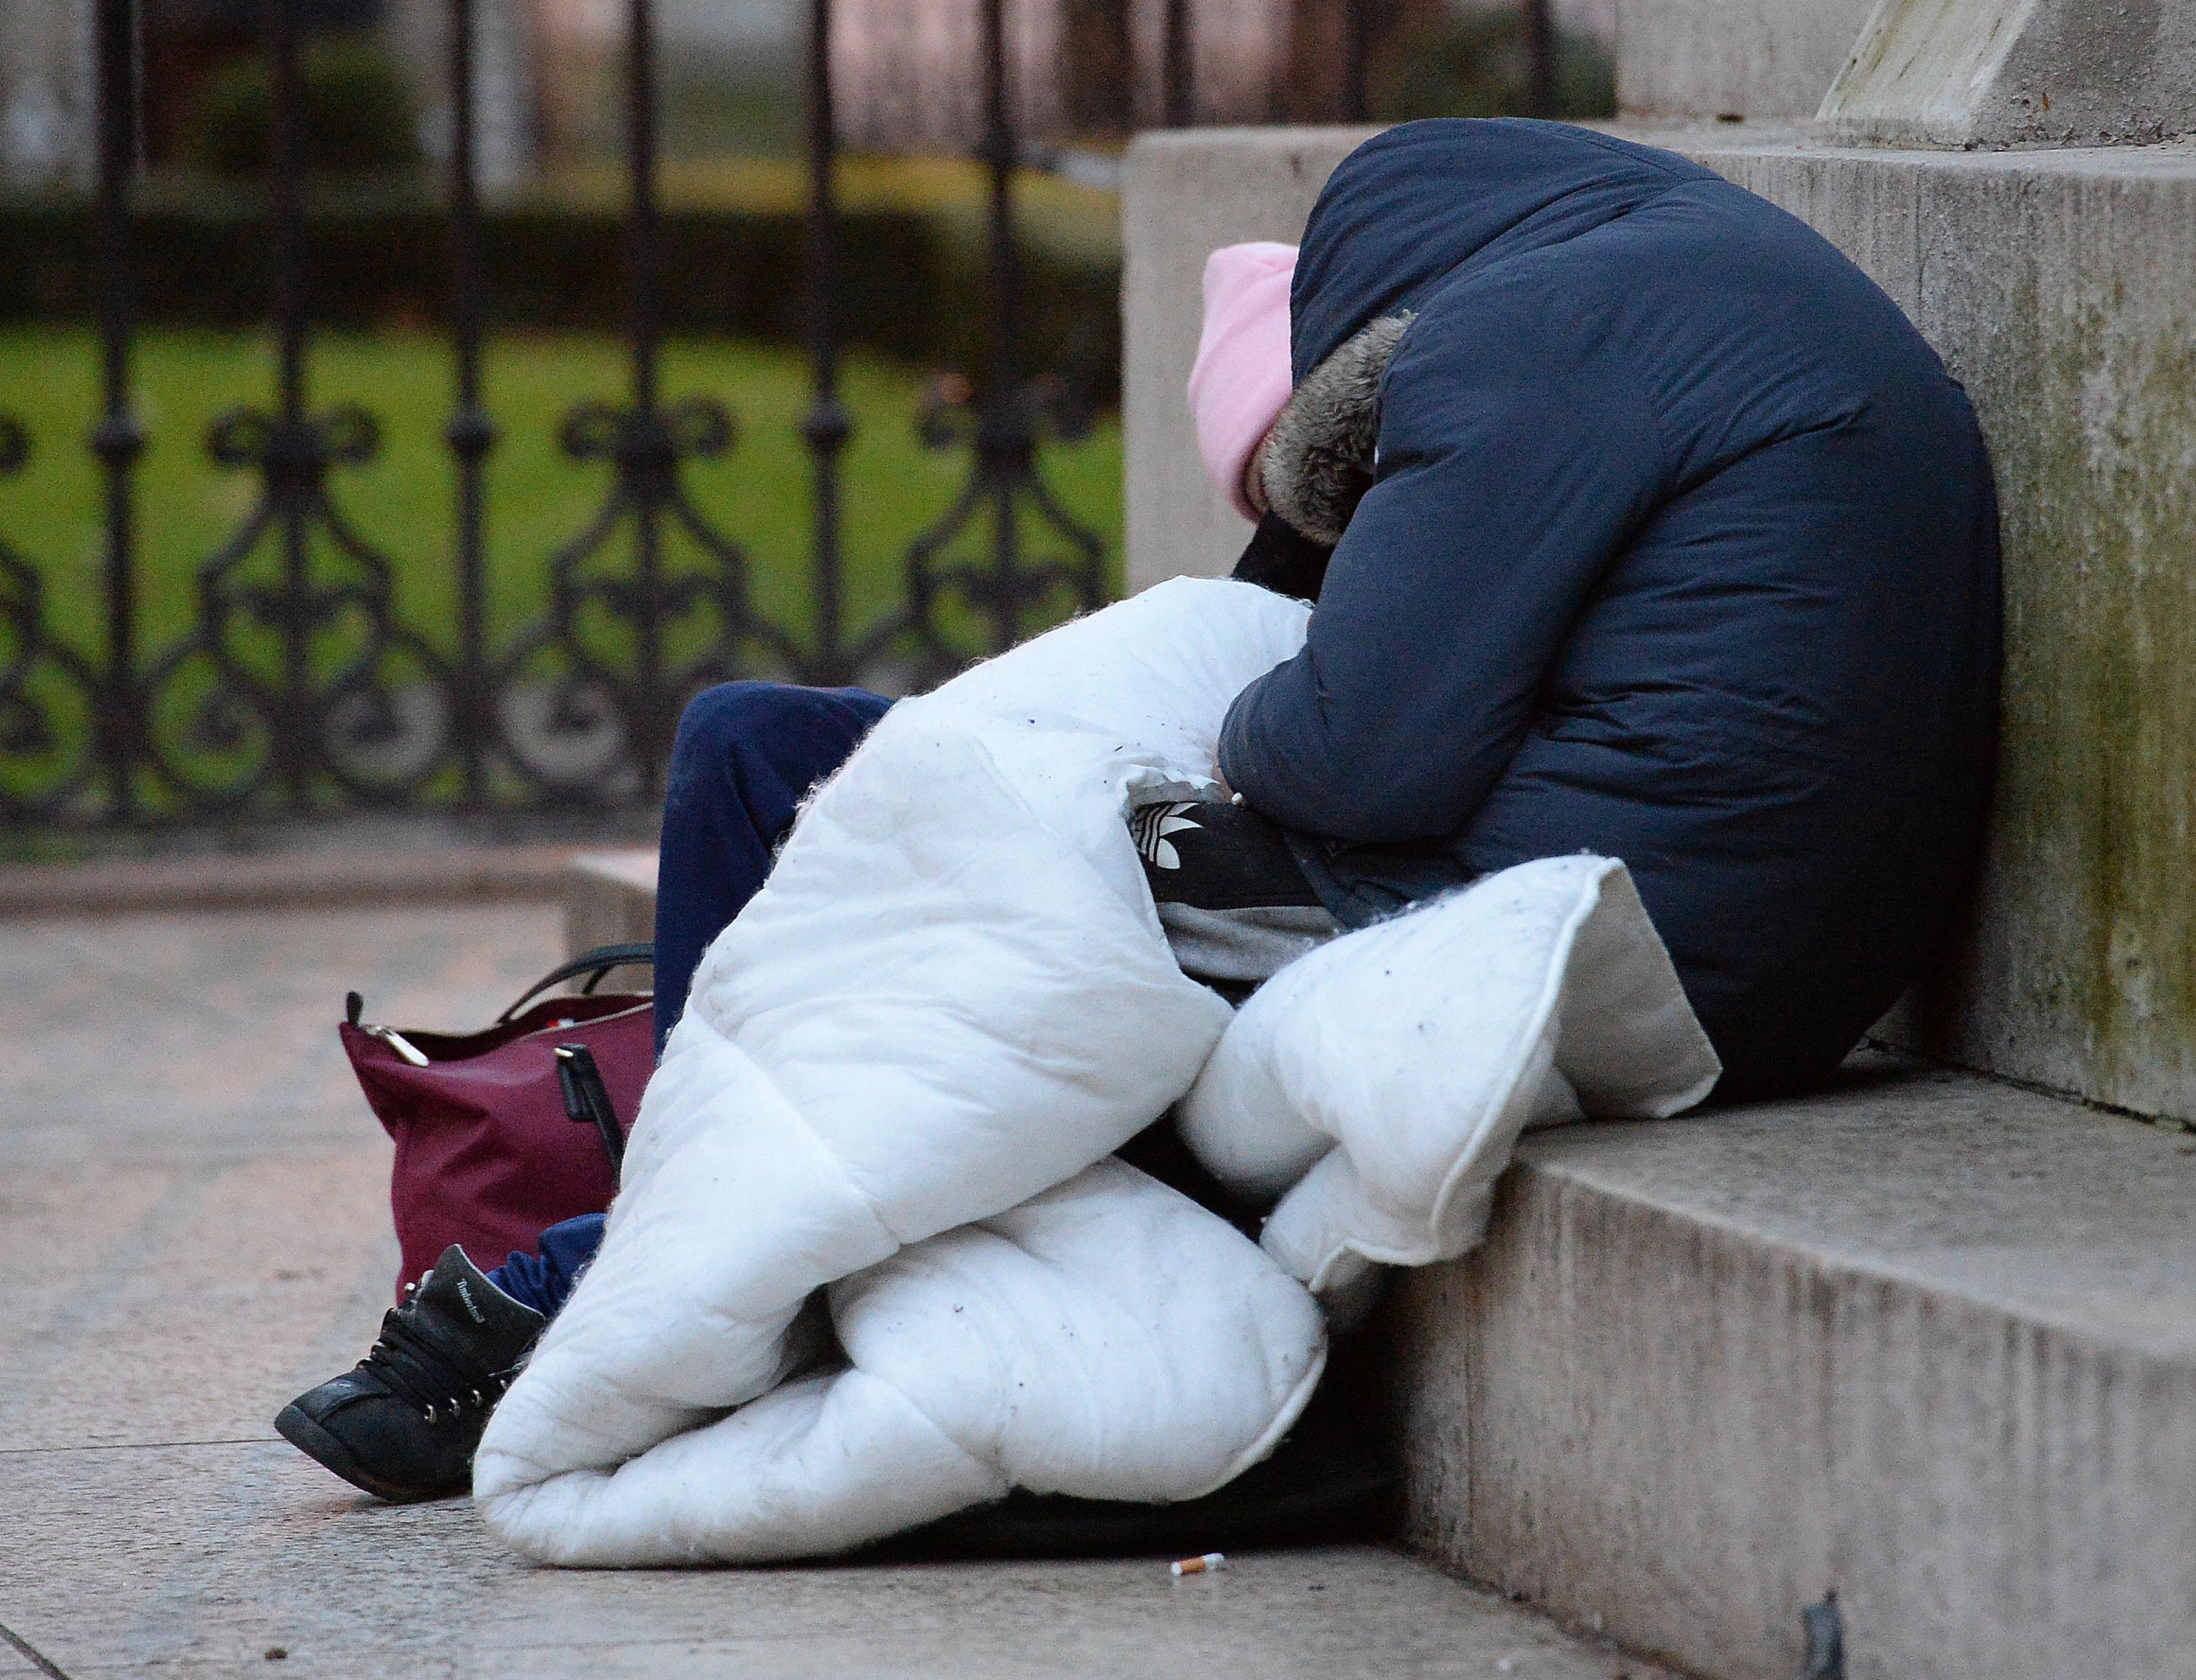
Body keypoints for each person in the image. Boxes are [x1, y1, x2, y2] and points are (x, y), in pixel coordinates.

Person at [276, 117, 1999, 1505]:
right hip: (1713, 922)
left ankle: (588, 1282)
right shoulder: (1660, 294)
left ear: (1357, 369)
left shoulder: (1529, 339)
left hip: (1611, 925)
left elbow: (1350, 755)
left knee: (999, 930)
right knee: (759, 745)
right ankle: (691, 1196)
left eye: (1332, 488)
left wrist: (1208, 713)